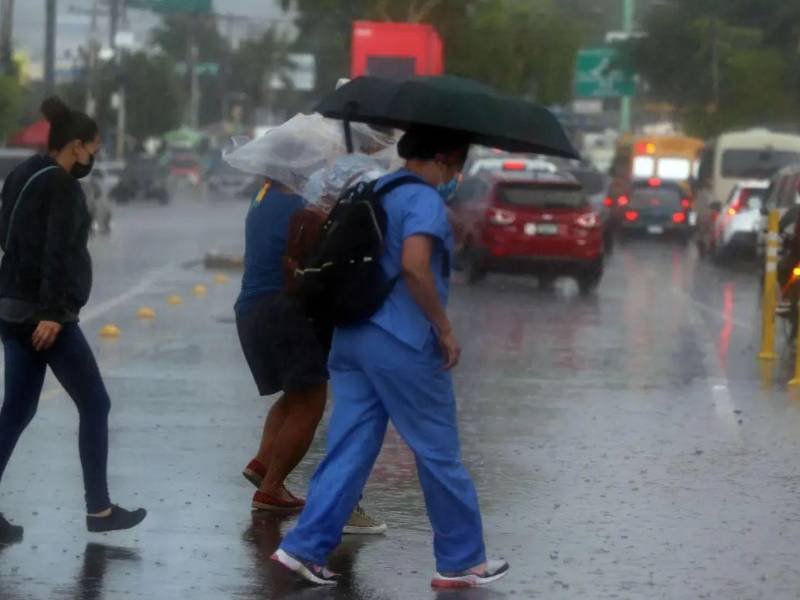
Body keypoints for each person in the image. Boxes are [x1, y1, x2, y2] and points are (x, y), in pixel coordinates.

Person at [272, 126, 510, 588]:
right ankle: (461, 560)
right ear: (444, 160)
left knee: (351, 444)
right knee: (438, 451)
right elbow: (414, 265)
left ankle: (304, 547)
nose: (455, 176)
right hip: (401, 341)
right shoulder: (422, 200)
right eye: (456, 167)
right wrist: (443, 327)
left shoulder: (372, 187)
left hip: (352, 337)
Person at [0, 97, 146, 544]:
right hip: (45, 318)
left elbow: (9, 237)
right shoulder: (63, 186)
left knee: (17, 410)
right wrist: (53, 313)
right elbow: (56, 255)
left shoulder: (22, 174)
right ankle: (99, 509)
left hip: (10, 308)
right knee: (95, 404)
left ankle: (99, 508)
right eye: (93, 149)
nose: (93, 158)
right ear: (76, 146)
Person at [235, 175, 385, 534]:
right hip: (283, 309)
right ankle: (271, 489)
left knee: (295, 394)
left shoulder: (262, 196)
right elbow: (318, 255)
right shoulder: (298, 206)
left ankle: (263, 465)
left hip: (252, 307)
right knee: (310, 401)